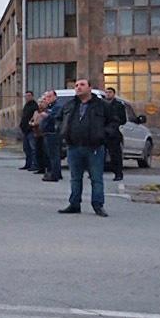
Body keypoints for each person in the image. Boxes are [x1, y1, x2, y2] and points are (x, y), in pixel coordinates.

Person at [58, 79, 118, 218]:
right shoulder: (70, 105)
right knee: (75, 178)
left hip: (94, 147)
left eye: (82, 85)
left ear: (90, 88)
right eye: (76, 85)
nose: (78, 87)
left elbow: (114, 122)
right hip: (74, 146)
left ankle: (98, 205)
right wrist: (62, 131)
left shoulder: (102, 105)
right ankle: (74, 204)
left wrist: (103, 134)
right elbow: (59, 119)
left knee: (96, 178)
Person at [104, 87, 128, 181]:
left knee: (115, 154)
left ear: (114, 94)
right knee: (98, 153)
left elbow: (123, 120)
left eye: (110, 92)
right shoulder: (102, 104)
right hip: (102, 132)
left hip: (113, 133)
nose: (108, 94)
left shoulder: (119, 105)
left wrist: (115, 123)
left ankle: (118, 173)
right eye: (106, 92)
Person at [40, 90, 63, 182]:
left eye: (49, 96)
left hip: (53, 133)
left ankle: (54, 174)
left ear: (55, 97)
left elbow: (55, 117)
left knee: (54, 155)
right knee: (50, 155)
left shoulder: (57, 107)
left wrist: (46, 116)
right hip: (48, 133)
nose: (47, 99)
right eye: (46, 97)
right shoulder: (50, 107)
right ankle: (55, 173)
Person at [19, 91, 39, 171]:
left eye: (29, 95)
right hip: (25, 131)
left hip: (31, 130)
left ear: (32, 96)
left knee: (33, 148)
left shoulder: (34, 105)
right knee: (26, 148)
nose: (27, 97)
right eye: (26, 96)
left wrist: (31, 124)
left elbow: (35, 116)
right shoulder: (26, 105)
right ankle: (28, 164)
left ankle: (35, 164)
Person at [29, 98, 49, 175]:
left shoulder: (46, 112)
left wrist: (35, 123)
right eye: (39, 102)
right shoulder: (36, 112)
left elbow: (41, 122)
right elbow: (32, 120)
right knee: (38, 152)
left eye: (42, 102)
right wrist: (31, 123)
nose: (40, 104)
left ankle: (46, 168)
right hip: (36, 134)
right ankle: (40, 168)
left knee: (44, 152)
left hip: (43, 134)